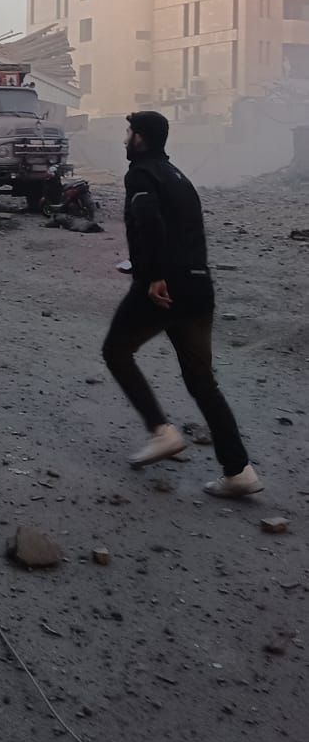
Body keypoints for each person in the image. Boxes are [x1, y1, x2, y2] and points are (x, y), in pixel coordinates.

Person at [102, 110, 262, 499]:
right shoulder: (179, 177)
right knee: (202, 382)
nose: (124, 139)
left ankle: (161, 431)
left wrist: (154, 275)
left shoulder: (141, 174)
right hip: (198, 287)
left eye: (128, 132)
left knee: (116, 351)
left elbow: (148, 220)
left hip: (163, 288)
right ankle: (239, 471)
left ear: (140, 138)